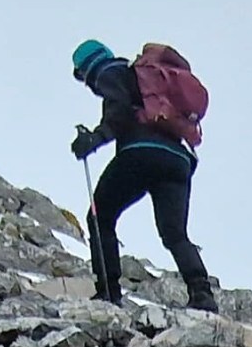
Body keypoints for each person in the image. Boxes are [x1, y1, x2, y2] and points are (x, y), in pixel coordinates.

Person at [69, 39, 216, 310]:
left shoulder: (109, 72)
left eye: (82, 77)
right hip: (178, 160)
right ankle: (202, 295)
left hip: (140, 152)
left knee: (100, 216)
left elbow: (119, 111)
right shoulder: (147, 81)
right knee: (175, 234)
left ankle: (109, 292)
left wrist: (94, 138)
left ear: (87, 68)